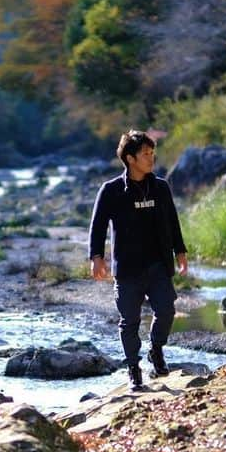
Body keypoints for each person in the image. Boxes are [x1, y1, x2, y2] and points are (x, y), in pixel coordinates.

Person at [89, 129, 188, 391]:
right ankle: (133, 367)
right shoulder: (110, 190)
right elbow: (97, 226)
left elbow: (173, 222)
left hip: (158, 265)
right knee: (129, 321)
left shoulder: (161, 187)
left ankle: (156, 350)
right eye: (146, 154)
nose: (151, 158)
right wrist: (96, 257)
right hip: (128, 269)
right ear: (130, 158)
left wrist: (180, 251)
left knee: (166, 310)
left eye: (152, 153)